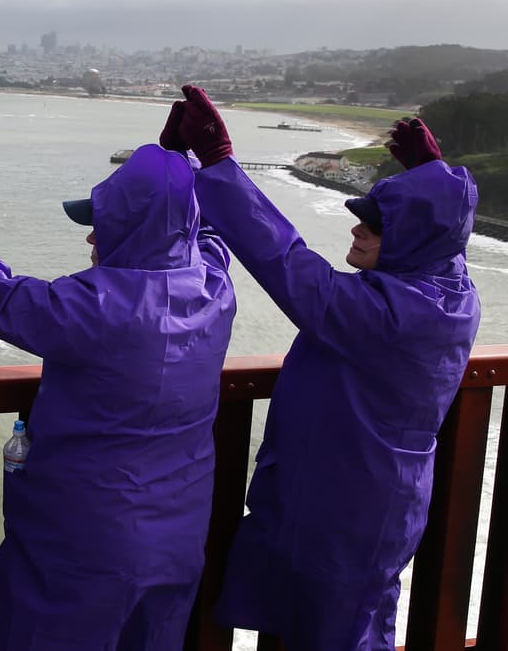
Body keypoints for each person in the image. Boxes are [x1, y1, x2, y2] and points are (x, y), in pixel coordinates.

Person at [162, 88, 481, 649]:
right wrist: (432, 180)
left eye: (375, 226)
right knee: (348, 624)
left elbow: (285, 263)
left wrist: (218, 166)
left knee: (340, 635)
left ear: (413, 240)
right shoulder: (449, 292)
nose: (356, 229)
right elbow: (442, 237)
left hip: (348, 512)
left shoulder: (387, 313)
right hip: (366, 498)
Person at [0, 141, 239, 650]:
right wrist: (187, 168)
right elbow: (210, 232)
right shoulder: (215, 289)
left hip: (80, 549)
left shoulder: (91, 308)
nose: (90, 236)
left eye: (101, 223)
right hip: (174, 544)